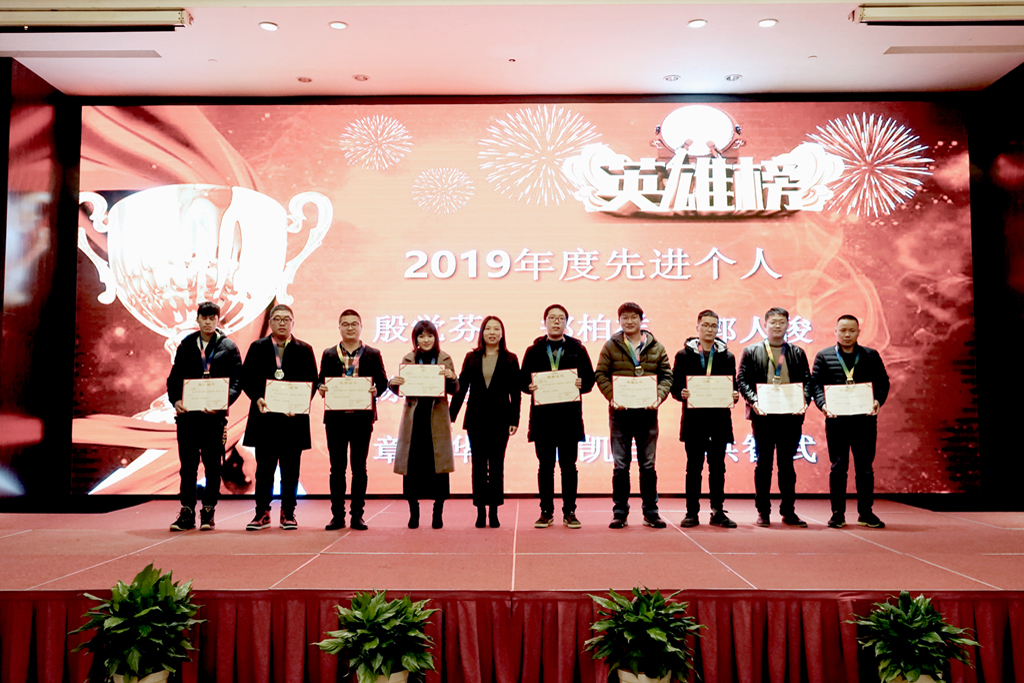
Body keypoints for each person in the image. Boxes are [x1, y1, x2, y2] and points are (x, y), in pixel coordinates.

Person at [595, 302, 673, 529]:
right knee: (621, 465)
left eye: (633, 317)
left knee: (648, 465)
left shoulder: (656, 347)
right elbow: (600, 374)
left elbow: (667, 376)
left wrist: (658, 397)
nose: (629, 321)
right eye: (625, 318)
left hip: (647, 414)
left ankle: (651, 512)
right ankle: (620, 512)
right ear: (619, 321)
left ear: (641, 319)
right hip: (620, 415)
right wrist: (612, 397)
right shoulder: (611, 346)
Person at [166, 301, 243, 532]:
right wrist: (176, 401)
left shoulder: (229, 347)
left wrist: (222, 403)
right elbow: (174, 378)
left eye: (212, 318)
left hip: (214, 419)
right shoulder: (187, 344)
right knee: (187, 467)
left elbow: (237, 382)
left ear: (217, 320)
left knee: (212, 467)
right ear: (197, 319)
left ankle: (208, 511)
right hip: (188, 418)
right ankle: (187, 512)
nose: (208, 322)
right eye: (204, 318)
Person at [241, 304, 319, 531]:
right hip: (265, 419)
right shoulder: (257, 347)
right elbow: (246, 378)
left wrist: (300, 403)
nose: (282, 322)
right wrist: (257, 398)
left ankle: (288, 513)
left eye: (286, 319)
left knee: (291, 471)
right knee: (264, 471)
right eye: (277, 318)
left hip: (293, 420)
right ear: (271, 323)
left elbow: (312, 381)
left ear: (293, 323)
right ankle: (262, 513)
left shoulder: (305, 349)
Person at [737, 306, 814, 528]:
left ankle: (788, 511)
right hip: (763, 416)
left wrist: (804, 401)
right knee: (763, 465)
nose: (777, 326)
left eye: (782, 322)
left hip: (790, 416)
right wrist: (754, 401)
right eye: (773, 322)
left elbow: (807, 381)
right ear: (765, 324)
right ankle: (763, 511)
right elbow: (742, 380)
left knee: (787, 466)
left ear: (788, 325)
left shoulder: (797, 352)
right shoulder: (751, 351)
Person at [811, 314, 891, 529]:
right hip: (836, 421)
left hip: (864, 421)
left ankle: (866, 513)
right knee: (838, 468)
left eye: (851, 330)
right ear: (835, 332)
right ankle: (837, 514)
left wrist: (877, 401)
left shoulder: (871, 355)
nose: (847, 334)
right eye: (843, 330)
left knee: (865, 468)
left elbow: (883, 382)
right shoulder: (824, 356)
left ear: (858, 332)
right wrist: (822, 404)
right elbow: (815, 384)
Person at [520, 304, 595, 529]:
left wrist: (582, 384)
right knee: (545, 466)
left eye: (560, 318)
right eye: (552, 318)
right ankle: (546, 512)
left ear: (566, 323)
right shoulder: (533, 350)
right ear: (545, 322)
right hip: (543, 419)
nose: (556, 321)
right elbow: (522, 381)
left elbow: (590, 380)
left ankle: (570, 512)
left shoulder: (577, 349)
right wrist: (529, 386)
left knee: (569, 466)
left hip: (569, 418)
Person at [316, 309, 389, 531]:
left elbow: (383, 382)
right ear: (339, 327)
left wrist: (377, 390)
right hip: (335, 419)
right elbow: (320, 380)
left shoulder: (373, 354)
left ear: (361, 327)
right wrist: (321, 388)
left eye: (354, 324)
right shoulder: (329, 354)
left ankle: (357, 515)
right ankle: (337, 516)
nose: (350, 328)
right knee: (337, 468)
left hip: (362, 419)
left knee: (359, 467)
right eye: (345, 324)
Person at [670, 309, 740, 529]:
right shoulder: (683, 355)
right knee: (693, 468)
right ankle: (691, 513)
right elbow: (674, 387)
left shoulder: (727, 356)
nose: (710, 329)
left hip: (719, 421)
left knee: (718, 468)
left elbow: (733, 387)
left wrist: (734, 395)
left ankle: (718, 511)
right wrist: (681, 393)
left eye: (714, 326)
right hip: (694, 421)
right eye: (706, 325)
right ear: (697, 327)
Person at [450, 316, 521, 529]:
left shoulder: (510, 359)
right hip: (476, 420)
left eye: (496, 329)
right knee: (479, 467)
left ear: (502, 333)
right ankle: (480, 511)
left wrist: (514, 419)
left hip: (501, 420)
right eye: (488, 328)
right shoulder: (471, 357)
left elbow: (516, 393)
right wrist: (450, 415)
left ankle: (494, 511)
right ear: (481, 333)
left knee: (497, 466)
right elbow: (461, 388)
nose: (492, 332)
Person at [390, 320, 458, 529]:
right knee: (412, 469)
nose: (426, 340)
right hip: (415, 421)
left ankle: (438, 513)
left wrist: (452, 378)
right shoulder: (408, 359)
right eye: (421, 336)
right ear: (415, 339)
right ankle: (414, 512)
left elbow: (454, 389)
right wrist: (393, 384)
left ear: (436, 338)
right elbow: (400, 390)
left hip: (436, 420)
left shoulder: (445, 358)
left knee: (439, 470)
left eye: (430, 336)